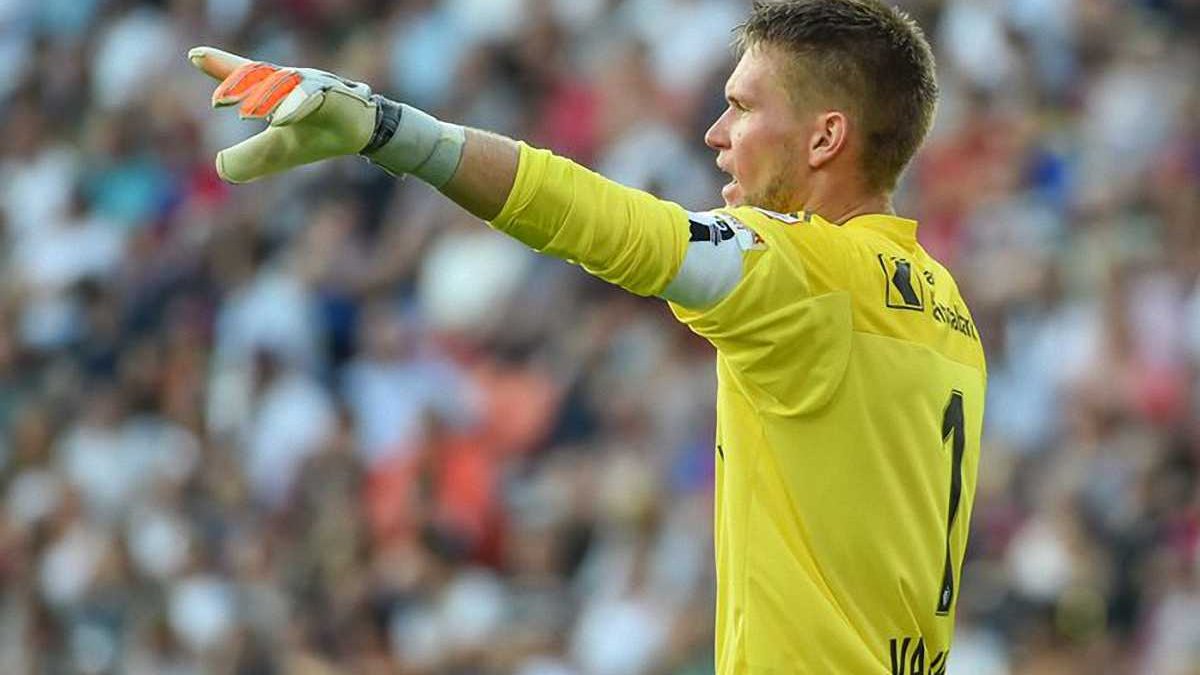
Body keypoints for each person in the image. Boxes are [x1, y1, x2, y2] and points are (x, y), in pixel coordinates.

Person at [187, 0, 986, 672]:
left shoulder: (806, 274)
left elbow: (611, 225)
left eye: (743, 107)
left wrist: (390, 130)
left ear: (824, 138)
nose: (715, 132)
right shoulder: (948, 311)